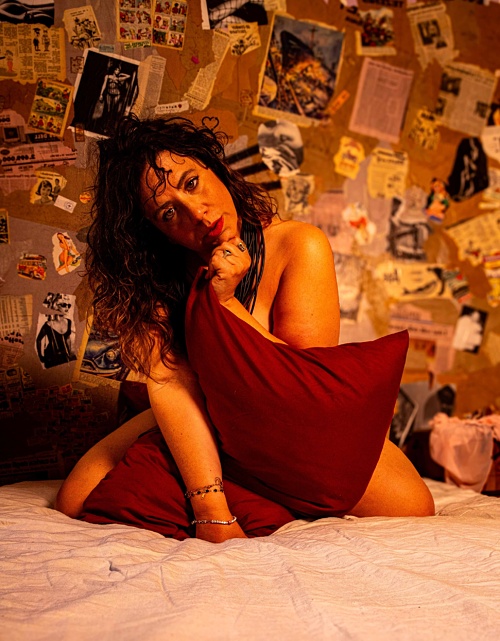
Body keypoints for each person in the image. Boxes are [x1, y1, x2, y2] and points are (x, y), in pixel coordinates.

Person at [55, 114, 434, 542]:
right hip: (202, 412)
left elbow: (304, 390)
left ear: (213, 167)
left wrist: (225, 304)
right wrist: (211, 510)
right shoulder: (149, 282)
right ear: (156, 231)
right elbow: (174, 387)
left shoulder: (298, 245)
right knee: (75, 498)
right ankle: (242, 488)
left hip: (289, 426)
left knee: (412, 506)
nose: (197, 213)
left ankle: (258, 491)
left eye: (192, 183)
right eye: (168, 212)